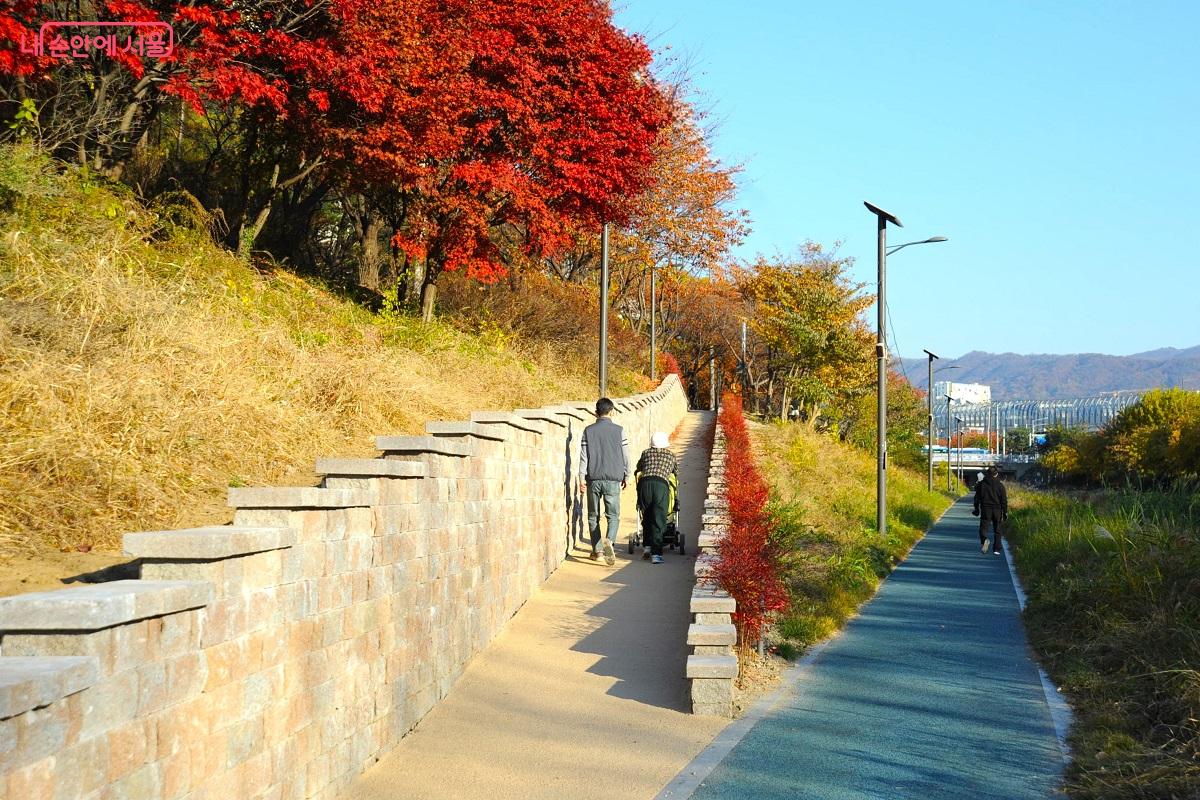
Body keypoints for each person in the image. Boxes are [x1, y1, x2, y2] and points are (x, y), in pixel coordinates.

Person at [578, 398, 631, 566]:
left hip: (593, 478)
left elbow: (583, 457)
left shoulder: (588, 431)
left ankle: (598, 551)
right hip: (613, 479)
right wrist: (627, 475)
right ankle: (610, 541)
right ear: (612, 411)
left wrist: (581, 478)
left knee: (593, 516)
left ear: (596, 412)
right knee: (613, 515)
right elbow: (626, 455)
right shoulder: (619, 431)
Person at [635, 431, 679, 565]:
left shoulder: (645, 453)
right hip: (660, 485)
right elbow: (675, 472)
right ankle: (656, 554)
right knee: (659, 519)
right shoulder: (670, 455)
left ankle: (647, 546)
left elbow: (639, 468)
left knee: (647, 516)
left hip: (645, 484)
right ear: (665, 444)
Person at [972, 465, 1009, 555]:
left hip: (985, 509)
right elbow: (1004, 500)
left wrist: (976, 509)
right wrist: (1005, 512)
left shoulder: (981, 484)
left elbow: (976, 498)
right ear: (996, 474)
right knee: (997, 529)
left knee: (983, 527)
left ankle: (984, 540)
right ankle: (996, 549)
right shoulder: (1000, 486)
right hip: (997, 509)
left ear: (987, 474)